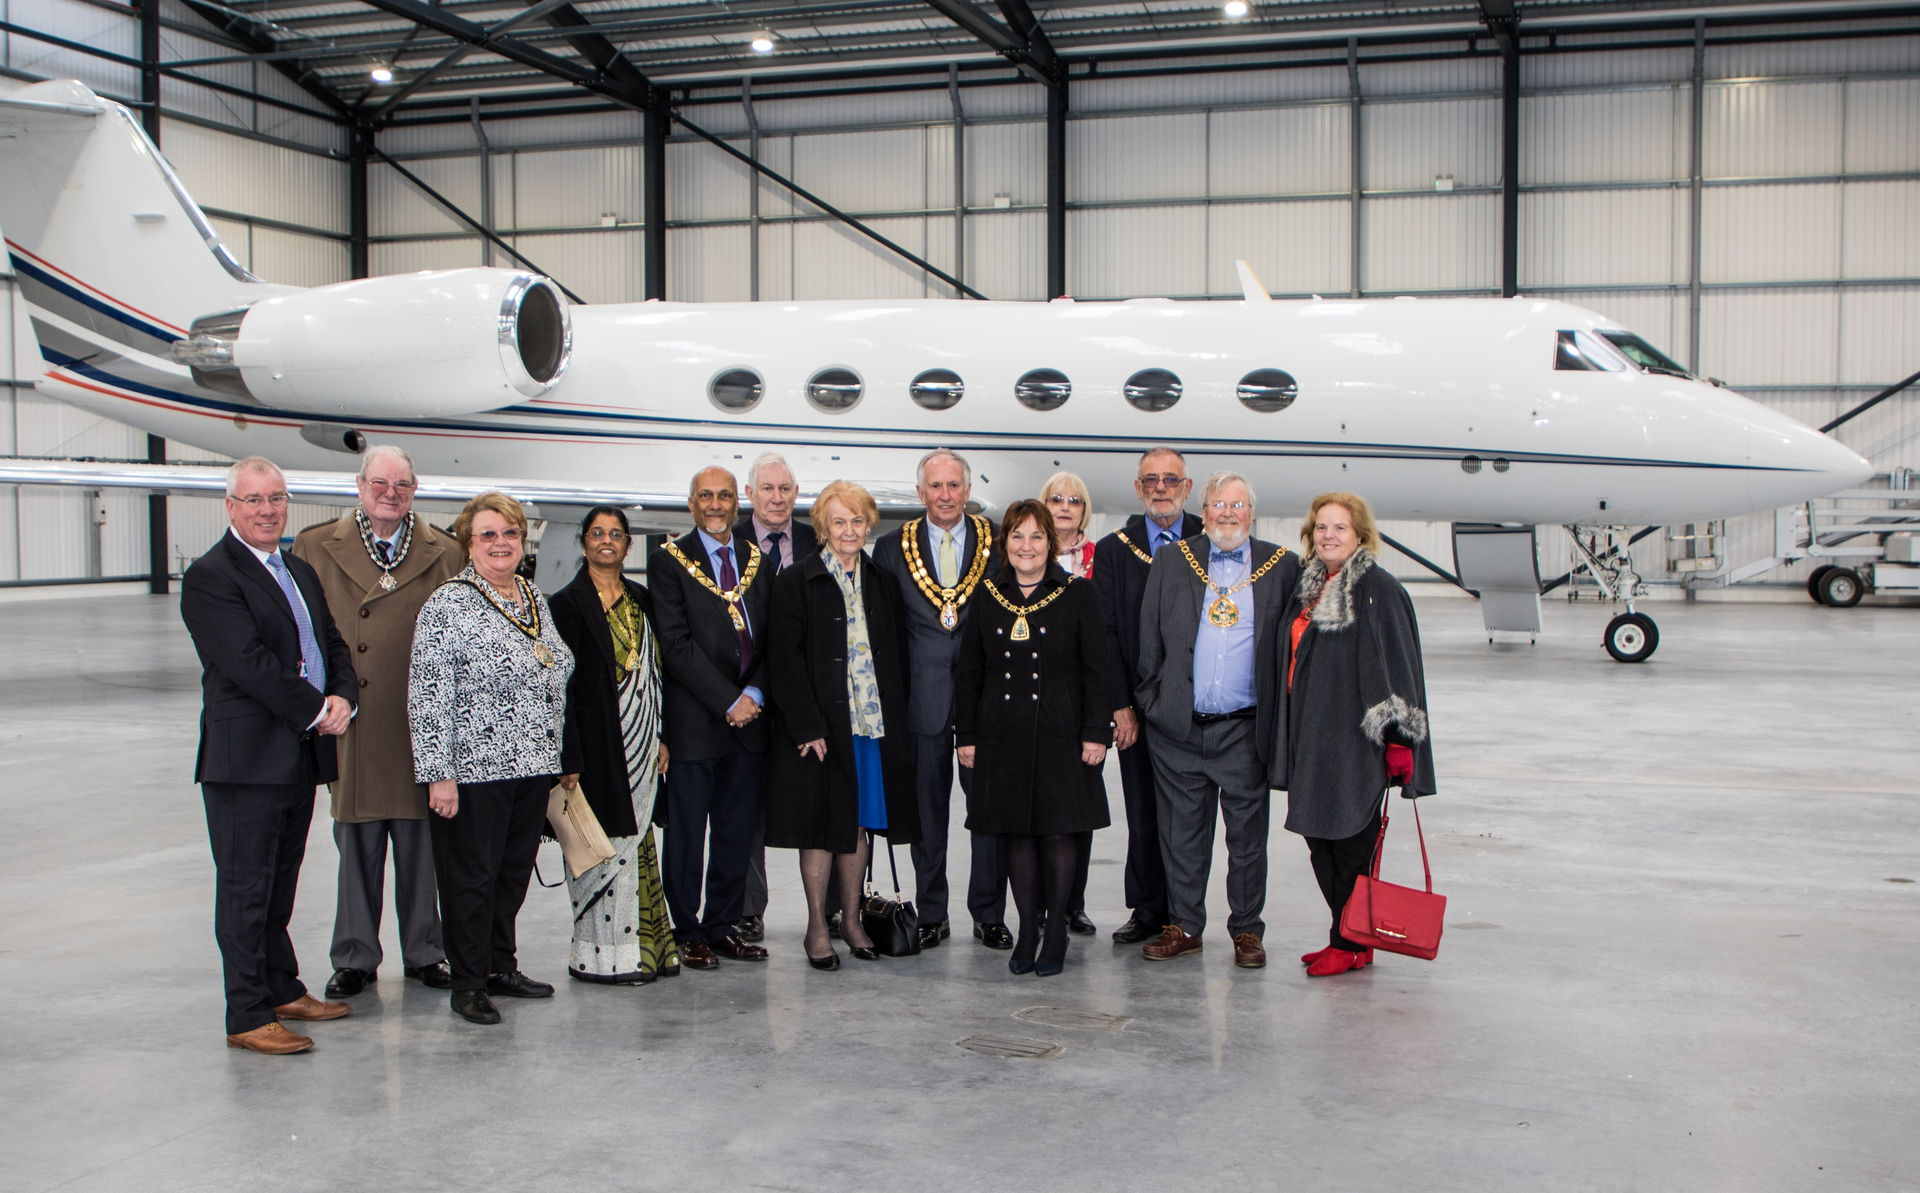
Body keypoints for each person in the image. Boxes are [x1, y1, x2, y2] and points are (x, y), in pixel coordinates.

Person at [180, 455, 357, 1054]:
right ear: (230, 507)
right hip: (246, 763)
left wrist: (342, 697)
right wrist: (316, 708)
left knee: (280, 885)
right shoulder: (212, 576)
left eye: (276, 498)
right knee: (246, 889)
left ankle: (281, 987)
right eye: (253, 500)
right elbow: (248, 665)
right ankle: (247, 1014)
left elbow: (329, 641)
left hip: (297, 757)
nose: (267, 510)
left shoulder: (298, 569)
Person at [292, 445, 462, 1000]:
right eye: (380, 483)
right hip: (353, 721)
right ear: (360, 485)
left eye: (403, 485)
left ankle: (424, 951)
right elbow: (302, 632)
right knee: (357, 844)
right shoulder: (315, 547)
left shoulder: (446, 551)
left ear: (416, 490)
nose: (391, 494)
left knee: (420, 847)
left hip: (422, 720)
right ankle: (355, 956)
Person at [409, 492, 574, 1024]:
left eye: (510, 533)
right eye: (488, 534)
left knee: (511, 875)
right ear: (468, 543)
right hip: (474, 770)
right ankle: (468, 982)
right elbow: (428, 694)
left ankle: (501, 965)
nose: (501, 543)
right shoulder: (447, 605)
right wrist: (439, 775)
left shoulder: (531, 596)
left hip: (531, 765)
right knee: (471, 880)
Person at [1133, 471, 1301, 969]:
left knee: (1247, 840)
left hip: (1246, 730)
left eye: (1238, 505)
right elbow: (1149, 642)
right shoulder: (1172, 559)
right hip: (1179, 729)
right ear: (1202, 512)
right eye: (1218, 506)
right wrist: (1154, 703)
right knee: (1181, 835)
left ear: (1252, 513)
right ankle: (1184, 926)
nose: (1228, 514)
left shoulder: (1281, 565)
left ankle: (1247, 930)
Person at [1271, 492, 1436, 977]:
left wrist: (1401, 741)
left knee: (1350, 845)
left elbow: (1401, 667)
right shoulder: (1310, 587)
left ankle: (1347, 942)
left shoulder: (1378, 589)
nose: (1328, 536)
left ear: (1360, 535)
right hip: (1310, 736)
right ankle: (1352, 937)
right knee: (1318, 840)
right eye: (1321, 527)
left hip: (1355, 744)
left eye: (1339, 528)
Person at [763, 481, 920, 968]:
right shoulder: (795, 582)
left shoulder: (883, 581)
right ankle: (817, 927)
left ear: (869, 525)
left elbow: (897, 656)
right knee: (821, 827)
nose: (849, 530)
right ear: (822, 528)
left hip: (872, 728)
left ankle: (852, 922)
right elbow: (783, 661)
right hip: (823, 731)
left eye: (857, 521)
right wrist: (807, 725)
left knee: (858, 828)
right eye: (838, 521)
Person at [955, 500, 1114, 976]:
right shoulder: (987, 595)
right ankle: (1027, 929)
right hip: (1002, 735)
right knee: (1016, 837)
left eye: (1037, 536)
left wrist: (1094, 731)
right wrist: (967, 734)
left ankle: (1057, 930)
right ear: (1006, 544)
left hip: (1062, 734)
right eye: (1018, 536)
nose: (1027, 546)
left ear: (1054, 542)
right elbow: (970, 672)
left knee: (1059, 832)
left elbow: (1096, 669)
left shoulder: (1077, 594)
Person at [872, 449, 1010, 952]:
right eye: (936, 486)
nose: (946, 495)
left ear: (968, 491)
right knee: (928, 814)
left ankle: (988, 913)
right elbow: (884, 628)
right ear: (920, 492)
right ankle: (932, 912)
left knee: (988, 811)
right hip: (921, 699)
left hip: (985, 700)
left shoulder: (996, 541)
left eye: (954, 486)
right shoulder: (890, 547)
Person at [648, 468, 775, 970]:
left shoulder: (756, 561)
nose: (716, 504)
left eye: (725, 495)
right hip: (697, 720)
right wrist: (728, 700)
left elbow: (771, 638)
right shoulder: (668, 561)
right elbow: (675, 646)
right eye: (707, 496)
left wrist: (755, 691)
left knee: (735, 832)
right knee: (685, 834)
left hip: (750, 722)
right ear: (692, 504)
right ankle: (686, 929)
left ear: (736, 503)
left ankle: (723, 927)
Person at [552, 507, 680, 985]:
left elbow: (658, 673)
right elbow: (558, 688)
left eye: (616, 535)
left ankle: (646, 951)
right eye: (597, 533)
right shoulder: (565, 604)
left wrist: (662, 734)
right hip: (594, 748)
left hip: (642, 742)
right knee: (600, 846)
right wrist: (568, 755)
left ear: (628, 545)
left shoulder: (643, 600)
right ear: (584, 542)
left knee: (638, 840)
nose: (607, 541)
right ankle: (599, 957)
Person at [1092, 447, 1203, 944]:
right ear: (1138, 489)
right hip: (1138, 705)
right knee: (1144, 810)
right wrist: (1119, 706)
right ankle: (1147, 908)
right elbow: (1107, 633)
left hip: (1199, 704)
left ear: (1188, 486)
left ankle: (1186, 914)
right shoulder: (1115, 549)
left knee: (1191, 815)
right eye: (1151, 480)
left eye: (1171, 479)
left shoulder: (1213, 537)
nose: (1161, 488)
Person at [733, 451, 820, 943]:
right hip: (747, 700)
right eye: (766, 488)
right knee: (749, 814)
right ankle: (749, 909)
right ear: (750, 494)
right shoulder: (730, 542)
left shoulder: (815, 540)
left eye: (785, 488)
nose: (776, 497)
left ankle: (829, 909)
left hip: (807, 698)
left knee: (821, 802)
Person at [1038, 470, 1099, 936]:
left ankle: (1071, 903)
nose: (1065, 506)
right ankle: (1035, 902)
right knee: (1032, 808)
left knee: (1077, 811)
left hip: (1081, 705)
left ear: (1084, 510)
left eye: (1074, 500)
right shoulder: (1022, 552)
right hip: (1032, 700)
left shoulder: (1102, 559)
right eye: (1056, 498)